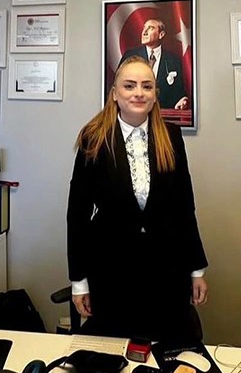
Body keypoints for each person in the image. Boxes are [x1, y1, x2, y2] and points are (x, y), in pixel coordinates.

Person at [67, 56, 208, 342]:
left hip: (167, 270)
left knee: (166, 352)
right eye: (129, 86)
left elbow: (184, 206)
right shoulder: (94, 139)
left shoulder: (171, 136)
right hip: (112, 270)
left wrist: (196, 269)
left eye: (147, 86)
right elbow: (77, 214)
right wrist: (79, 281)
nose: (138, 93)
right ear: (114, 94)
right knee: (116, 353)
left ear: (155, 95)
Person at [119, 18, 189, 110]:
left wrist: (182, 100)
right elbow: (118, 85)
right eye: (144, 28)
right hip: (134, 112)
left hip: (162, 115)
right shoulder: (130, 56)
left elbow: (179, 92)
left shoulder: (173, 60)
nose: (144, 32)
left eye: (150, 28)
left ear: (161, 34)